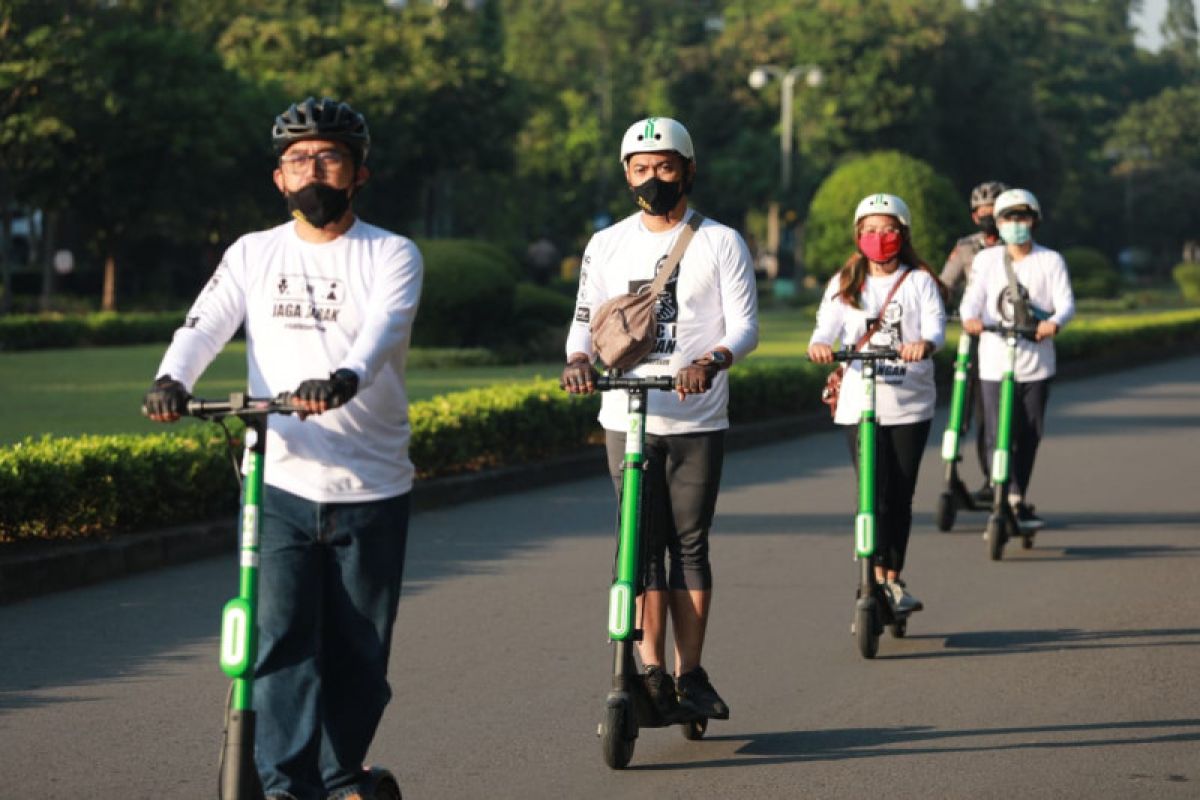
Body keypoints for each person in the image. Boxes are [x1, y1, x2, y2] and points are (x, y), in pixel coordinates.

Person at [142, 97, 423, 800]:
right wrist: (172, 379)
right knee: (278, 642)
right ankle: (285, 787)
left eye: (329, 158)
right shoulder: (253, 252)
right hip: (279, 483)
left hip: (373, 486)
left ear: (359, 172)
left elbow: (382, 330)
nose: (313, 172)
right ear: (278, 178)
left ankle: (337, 774)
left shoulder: (391, 253)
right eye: (299, 160)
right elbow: (203, 324)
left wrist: (345, 379)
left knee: (360, 655)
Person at [561, 116, 758, 722]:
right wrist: (576, 360)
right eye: (642, 169)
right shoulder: (606, 243)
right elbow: (584, 321)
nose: (654, 179)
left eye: (666, 167)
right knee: (639, 550)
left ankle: (689, 673)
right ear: (626, 175)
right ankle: (649, 672)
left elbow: (744, 326)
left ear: (688, 171)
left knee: (689, 545)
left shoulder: (720, 241)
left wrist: (713, 359)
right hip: (627, 414)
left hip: (695, 414)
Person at [808, 193, 947, 614]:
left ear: (902, 235)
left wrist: (923, 344)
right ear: (858, 235)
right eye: (869, 230)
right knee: (872, 492)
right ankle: (869, 575)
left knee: (899, 495)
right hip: (858, 403)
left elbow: (936, 330)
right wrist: (818, 345)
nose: (878, 237)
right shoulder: (846, 282)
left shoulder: (919, 281)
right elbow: (824, 329)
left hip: (908, 403)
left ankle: (892, 578)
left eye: (886, 230)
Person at [960, 188, 1074, 532]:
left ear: (1034, 221)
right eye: (1008, 217)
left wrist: (1053, 323)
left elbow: (1065, 303)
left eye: (1022, 217)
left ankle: (1016, 496)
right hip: (996, 361)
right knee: (997, 434)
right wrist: (971, 320)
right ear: (998, 222)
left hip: (1036, 363)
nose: (1015, 224)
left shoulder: (1050, 261)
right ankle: (1003, 496)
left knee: (1028, 434)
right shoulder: (986, 260)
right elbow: (972, 301)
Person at [942, 180, 1008, 500]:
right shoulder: (967, 247)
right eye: (982, 212)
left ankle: (1000, 477)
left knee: (997, 411)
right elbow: (945, 285)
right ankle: (973, 472)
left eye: (993, 210)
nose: (988, 216)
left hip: (1007, 337)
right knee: (970, 407)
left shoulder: (1017, 247)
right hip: (974, 338)